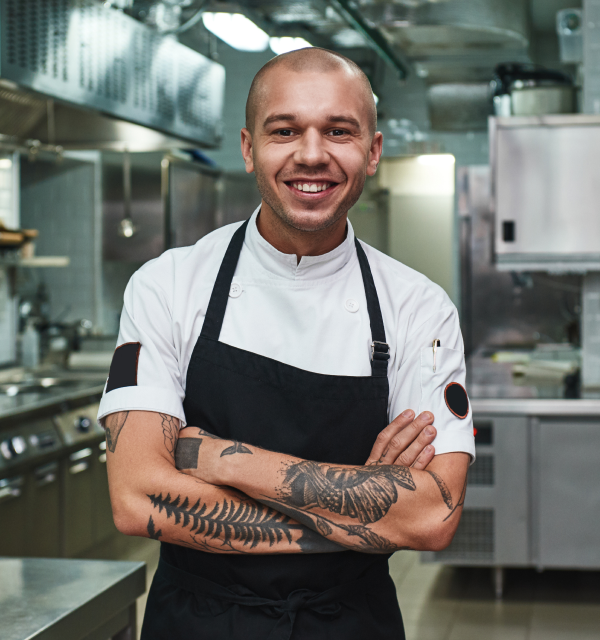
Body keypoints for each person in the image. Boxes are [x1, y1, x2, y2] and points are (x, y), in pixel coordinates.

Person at [100, 48, 474, 640]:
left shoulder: (419, 308)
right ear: (249, 149)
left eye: (339, 131)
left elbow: (431, 516)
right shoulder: (168, 285)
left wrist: (222, 459)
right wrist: (358, 511)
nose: (311, 154)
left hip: (352, 622)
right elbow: (138, 497)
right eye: (285, 131)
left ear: (372, 152)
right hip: (198, 621)